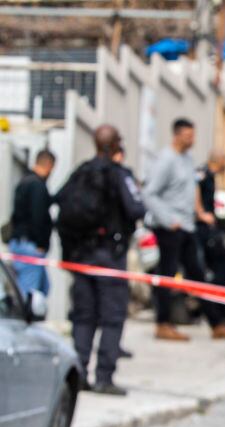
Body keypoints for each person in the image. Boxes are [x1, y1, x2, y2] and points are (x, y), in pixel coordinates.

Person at [57, 125, 146, 395]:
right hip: (110, 257)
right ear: (116, 146)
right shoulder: (120, 175)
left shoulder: (80, 172)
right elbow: (137, 208)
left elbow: (59, 201)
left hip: (81, 257)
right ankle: (104, 377)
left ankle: (80, 373)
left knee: (83, 317)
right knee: (112, 317)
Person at [144, 118, 225, 341]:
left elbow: (193, 189)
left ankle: (216, 323)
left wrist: (200, 212)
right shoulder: (166, 160)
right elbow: (149, 193)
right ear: (177, 135)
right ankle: (162, 323)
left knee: (198, 274)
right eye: (188, 136)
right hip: (170, 227)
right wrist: (167, 219)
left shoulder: (187, 159)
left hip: (187, 226)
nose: (192, 140)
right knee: (167, 274)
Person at [194, 149, 225, 338]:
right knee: (218, 271)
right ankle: (220, 318)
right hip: (203, 229)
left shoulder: (210, 176)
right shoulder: (203, 174)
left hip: (206, 228)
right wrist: (201, 213)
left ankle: (221, 318)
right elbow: (194, 190)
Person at [8, 150, 56, 297]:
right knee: (29, 295)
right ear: (49, 166)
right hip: (30, 246)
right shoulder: (37, 185)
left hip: (23, 243)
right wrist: (40, 244)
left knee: (42, 288)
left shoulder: (25, 181)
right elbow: (38, 217)